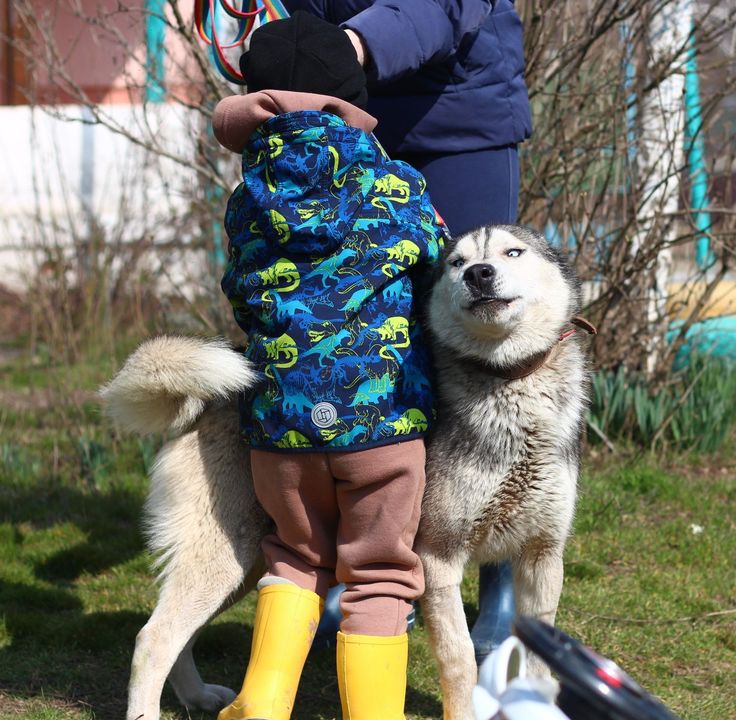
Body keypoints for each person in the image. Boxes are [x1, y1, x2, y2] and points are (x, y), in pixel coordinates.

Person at [281, 0, 533, 664]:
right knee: (361, 343)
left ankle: (496, 570)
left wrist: (358, 44)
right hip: (350, 116)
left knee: (482, 347)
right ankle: (374, 562)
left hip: (458, 118)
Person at [212, 11, 447, 720]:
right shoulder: (398, 188)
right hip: (381, 428)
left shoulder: (246, 202)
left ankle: (263, 701)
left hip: (279, 430)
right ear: (353, 97)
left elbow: (240, 295)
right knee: (379, 573)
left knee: (293, 557)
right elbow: (439, 264)